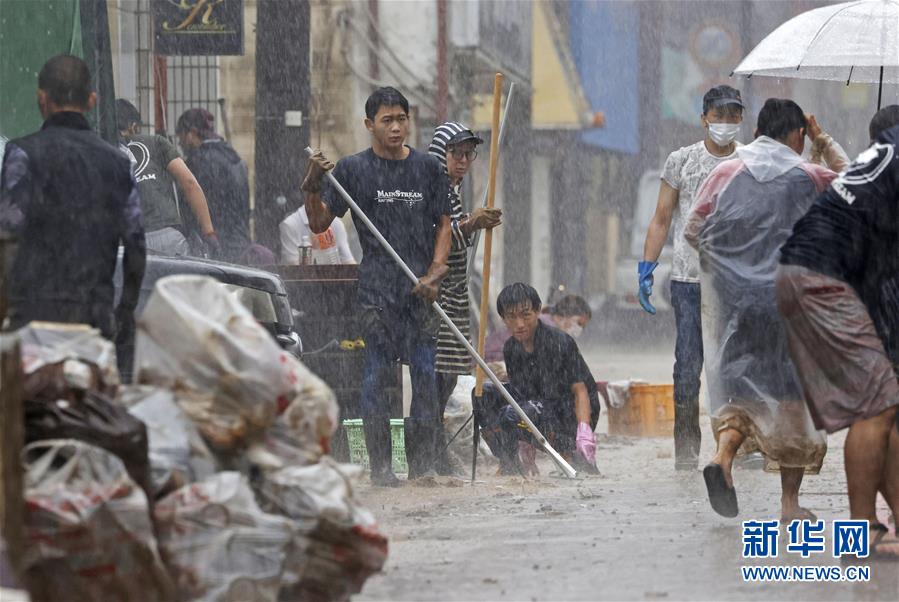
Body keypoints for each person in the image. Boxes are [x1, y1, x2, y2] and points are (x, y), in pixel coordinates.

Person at [685, 98, 839, 521]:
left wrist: (737, 267)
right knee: (792, 402)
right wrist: (824, 144)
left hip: (742, 308)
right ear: (798, 135)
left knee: (744, 395)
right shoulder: (811, 175)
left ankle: (722, 460)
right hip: (793, 308)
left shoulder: (726, 171)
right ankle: (789, 505)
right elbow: (858, 193)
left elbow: (694, 229)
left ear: (755, 133)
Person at [302, 87, 452, 486]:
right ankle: (382, 469)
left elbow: (444, 225)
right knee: (376, 379)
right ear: (370, 124)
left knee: (425, 378)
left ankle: (422, 468)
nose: (396, 127)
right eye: (387, 120)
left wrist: (435, 272)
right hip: (377, 294)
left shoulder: (428, 168)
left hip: (420, 291)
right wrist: (312, 186)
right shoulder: (353, 170)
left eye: (401, 119)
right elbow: (319, 224)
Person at [776, 105, 899, 558]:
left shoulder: (882, 157)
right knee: (878, 406)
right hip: (821, 277)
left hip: (808, 274)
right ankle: (862, 532)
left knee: (883, 405)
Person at [0, 55, 145, 342]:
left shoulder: (22, 154)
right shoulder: (118, 163)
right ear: (92, 100)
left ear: (42, 99)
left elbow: (6, 236)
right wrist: (125, 309)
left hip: (33, 322)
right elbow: (136, 244)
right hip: (93, 322)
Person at [639, 85, 744, 471]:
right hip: (687, 280)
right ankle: (685, 452)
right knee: (687, 366)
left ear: (741, 119)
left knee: (734, 366)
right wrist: (647, 267)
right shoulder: (681, 161)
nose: (725, 123)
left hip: (734, 281)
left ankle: (736, 449)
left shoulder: (749, 161)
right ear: (704, 118)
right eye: (718, 116)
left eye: (733, 116)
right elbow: (662, 218)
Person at [428, 120, 502, 475]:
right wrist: (473, 222)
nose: (462, 161)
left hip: (457, 296)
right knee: (436, 376)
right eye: (455, 153)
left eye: (468, 154)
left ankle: (437, 449)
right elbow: (439, 235)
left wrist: (474, 221)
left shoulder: (453, 191)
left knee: (450, 376)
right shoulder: (433, 189)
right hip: (438, 296)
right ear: (440, 155)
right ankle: (430, 451)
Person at [474, 283, 601, 475]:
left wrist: (584, 431)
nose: (520, 324)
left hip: (569, 413)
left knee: (513, 413)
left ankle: (571, 454)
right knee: (483, 393)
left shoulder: (560, 342)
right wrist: (526, 447)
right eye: (511, 317)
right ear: (503, 318)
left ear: (538, 311)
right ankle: (510, 462)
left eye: (525, 315)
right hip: (536, 406)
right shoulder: (511, 348)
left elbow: (580, 391)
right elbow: (520, 394)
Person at [116, 99, 217, 257]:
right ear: (133, 127)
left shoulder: (101, 151)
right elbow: (189, 183)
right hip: (167, 237)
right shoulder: (156, 142)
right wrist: (209, 233)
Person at [176, 108, 250, 263]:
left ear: (191, 133)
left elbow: (189, 206)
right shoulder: (234, 156)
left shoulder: (197, 161)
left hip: (213, 246)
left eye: (180, 136)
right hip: (240, 243)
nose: (179, 143)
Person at [483, 293, 591, 363]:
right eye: (579, 323)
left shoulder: (545, 322)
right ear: (565, 315)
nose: (579, 329)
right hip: (492, 363)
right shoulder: (546, 328)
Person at [279, 205, 355, 265]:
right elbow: (292, 268)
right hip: (303, 279)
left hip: (333, 277)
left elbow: (348, 261)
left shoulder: (336, 223)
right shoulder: (290, 225)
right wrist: (314, 249)